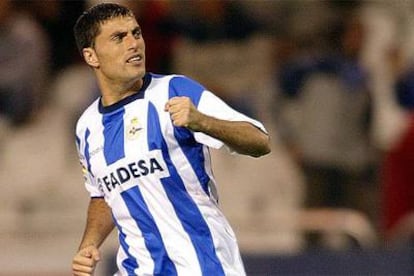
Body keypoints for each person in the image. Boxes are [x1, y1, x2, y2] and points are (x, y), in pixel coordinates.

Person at [71, 3, 270, 276]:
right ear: (91, 56)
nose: (134, 44)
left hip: (202, 265)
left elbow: (259, 141)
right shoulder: (87, 127)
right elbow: (104, 193)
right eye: (119, 37)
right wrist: (88, 245)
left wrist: (202, 121)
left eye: (136, 33)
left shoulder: (174, 90)